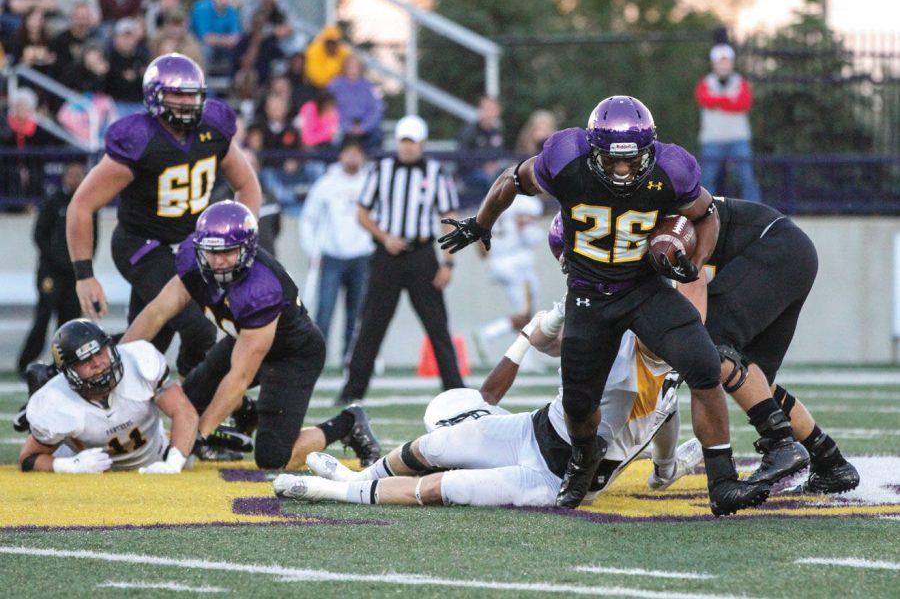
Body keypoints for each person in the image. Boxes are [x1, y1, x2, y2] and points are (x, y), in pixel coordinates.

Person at [439, 95, 770, 516]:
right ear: (593, 150)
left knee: (703, 365)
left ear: (648, 152)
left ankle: (722, 483)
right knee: (579, 403)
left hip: (644, 288)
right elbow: (511, 179)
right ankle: (583, 458)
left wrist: (696, 262)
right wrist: (481, 222)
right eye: (612, 160)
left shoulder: (672, 168)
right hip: (588, 294)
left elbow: (706, 216)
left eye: (631, 161)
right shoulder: (566, 158)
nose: (621, 170)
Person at [274, 307, 703, 507]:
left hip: (556, 475)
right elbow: (667, 416)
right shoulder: (641, 344)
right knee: (433, 447)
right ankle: (361, 476)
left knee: (444, 487)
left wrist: (667, 465)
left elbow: (644, 421)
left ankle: (337, 492)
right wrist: (666, 467)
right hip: (532, 428)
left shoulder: (635, 386)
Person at [120, 201, 381, 470]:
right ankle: (246, 411)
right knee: (188, 399)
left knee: (274, 458)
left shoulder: (261, 289)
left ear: (247, 249)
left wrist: (198, 437)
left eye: (229, 251)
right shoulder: (193, 259)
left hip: (292, 355)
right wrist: (120, 359)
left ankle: (349, 423)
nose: (219, 261)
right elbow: (157, 312)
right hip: (243, 341)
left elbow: (239, 377)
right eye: (212, 251)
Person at [66, 52, 262, 378]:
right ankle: (196, 393)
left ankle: (57, 377)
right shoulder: (140, 140)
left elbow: (247, 185)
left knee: (145, 347)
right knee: (198, 327)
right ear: (155, 96)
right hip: (141, 245)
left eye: (192, 94)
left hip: (189, 248)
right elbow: (81, 206)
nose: (186, 102)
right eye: (177, 94)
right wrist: (84, 274)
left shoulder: (212, 128)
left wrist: (241, 240)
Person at [683, 196, 858, 494]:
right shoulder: (658, 193)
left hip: (774, 248)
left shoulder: (657, 199)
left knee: (712, 343)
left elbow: (692, 275)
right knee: (754, 377)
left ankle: (780, 444)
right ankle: (831, 461)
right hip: (790, 250)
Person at [334, 115, 464, 405]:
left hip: (421, 255)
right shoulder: (382, 170)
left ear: (423, 143)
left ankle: (456, 391)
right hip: (387, 256)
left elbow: (449, 218)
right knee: (371, 325)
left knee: (437, 326)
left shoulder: (436, 172)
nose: (407, 147)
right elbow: (362, 214)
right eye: (403, 141)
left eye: (412, 141)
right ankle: (352, 391)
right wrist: (384, 238)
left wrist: (448, 261)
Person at [18, 319, 198, 474]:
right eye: (86, 360)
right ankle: (41, 385)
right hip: (87, 462)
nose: (98, 363)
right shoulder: (58, 401)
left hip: (156, 456)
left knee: (186, 457)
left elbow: (184, 411)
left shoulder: (138, 365)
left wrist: (173, 464)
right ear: (69, 371)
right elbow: (28, 458)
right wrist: (69, 465)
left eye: (100, 353)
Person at [16, 162, 95, 377]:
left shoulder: (88, 205)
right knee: (42, 318)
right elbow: (39, 234)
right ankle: (25, 364)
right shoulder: (53, 202)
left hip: (75, 275)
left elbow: (93, 238)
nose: (74, 180)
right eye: (71, 175)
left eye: (78, 176)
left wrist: (83, 265)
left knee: (70, 324)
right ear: (64, 178)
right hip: (51, 273)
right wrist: (54, 259)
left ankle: (63, 366)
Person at [299, 136, 373, 363]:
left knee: (357, 314)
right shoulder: (326, 184)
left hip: (361, 256)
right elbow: (308, 218)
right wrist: (312, 250)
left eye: (357, 152)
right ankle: (317, 360)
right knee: (324, 313)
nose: (352, 157)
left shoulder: (370, 182)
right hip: (331, 257)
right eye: (349, 152)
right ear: (341, 155)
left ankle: (349, 361)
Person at [472, 193, 543, 365]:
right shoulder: (523, 203)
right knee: (526, 314)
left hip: (498, 262)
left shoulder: (488, 202)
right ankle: (489, 333)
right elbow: (530, 235)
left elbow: (478, 238)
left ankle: (526, 360)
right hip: (517, 263)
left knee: (528, 313)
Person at [695, 44, 761, 202]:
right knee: (707, 181)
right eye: (720, 61)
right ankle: (706, 214)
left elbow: (743, 104)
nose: (723, 65)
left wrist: (719, 102)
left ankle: (755, 213)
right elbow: (705, 100)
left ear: (732, 62)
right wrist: (729, 101)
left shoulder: (741, 83)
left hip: (738, 139)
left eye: (726, 61)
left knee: (747, 178)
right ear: (714, 63)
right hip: (712, 140)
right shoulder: (705, 84)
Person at [327, 54, 383, 152]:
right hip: (341, 128)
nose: (352, 68)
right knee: (333, 138)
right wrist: (346, 126)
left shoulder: (369, 87)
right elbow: (329, 109)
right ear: (344, 67)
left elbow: (377, 110)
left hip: (365, 129)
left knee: (377, 137)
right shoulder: (334, 86)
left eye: (356, 65)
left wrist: (363, 127)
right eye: (350, 65)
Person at [456, 95, 504, 196]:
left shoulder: (498, 132)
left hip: (495, 172)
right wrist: (482, 166)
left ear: (498, 112)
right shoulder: (468, 132)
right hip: (470, 174)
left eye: (492, 109)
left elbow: (502, 155)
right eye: (485, 109)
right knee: (488, 179)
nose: (488, 113)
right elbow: (461, 159)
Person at [304, 25, 349, 89]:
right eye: (329, 42)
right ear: (323, 42)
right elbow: (317, 78)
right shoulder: (313, 50)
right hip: (316, 87)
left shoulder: (344, 52)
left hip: (337, 88)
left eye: (334, 42)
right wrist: (334, 61)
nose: (332, 45)